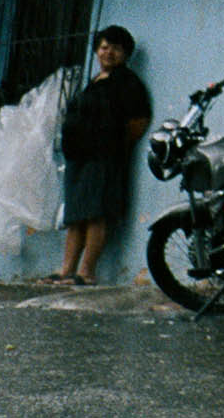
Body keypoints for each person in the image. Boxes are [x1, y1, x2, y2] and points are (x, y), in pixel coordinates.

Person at [47, 25, 151, 286]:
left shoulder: (128, 83)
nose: (109, 52)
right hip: (79, 158)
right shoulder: (94, 81)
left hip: (103, 158)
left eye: (116, 48)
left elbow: (138, 122)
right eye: (104, 47)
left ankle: (86, 273)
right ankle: (66, 271)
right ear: (96, 51)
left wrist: (113, 146)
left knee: (96, 214)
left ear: (126, 53)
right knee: (76, 216)